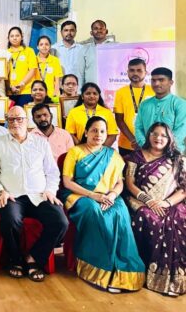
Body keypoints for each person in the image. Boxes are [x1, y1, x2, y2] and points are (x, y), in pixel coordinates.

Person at [60, 116, 145, 293]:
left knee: (120, 213)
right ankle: (99, 269)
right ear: (86, 132)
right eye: (94, 130)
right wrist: (93, 195)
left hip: (108, 195)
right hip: (80, 195)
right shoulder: (75, 152)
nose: (98, 134)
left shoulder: (113, 155)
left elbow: (120, 182)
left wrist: (112, 196)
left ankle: (124, 272)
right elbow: (67, 182)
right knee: (94, 212)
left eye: (102, 131)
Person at [0, 106, 68, 282]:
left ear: (27, 121)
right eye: (11, 119)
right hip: (12, 196)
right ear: (7, 121)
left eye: (19, 119)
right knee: (10, 220)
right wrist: (0, 191)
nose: (15, 122)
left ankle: (33, 258)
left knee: (60, 221)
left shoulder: (41, 143)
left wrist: (50, 190)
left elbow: (52, 172)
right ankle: (15, 260)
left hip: (39, 196)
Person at [124, 123, 186, 297]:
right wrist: (149, 201)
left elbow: (183, 188)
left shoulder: (177, 158)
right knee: (150, 218)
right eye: (155, 134)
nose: (159, 138)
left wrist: (166, 203)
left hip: (169, 202)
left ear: (169, 138)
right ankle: (150, 274)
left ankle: (176, 279)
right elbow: (130, 183)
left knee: (179, 218)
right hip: (141, 201)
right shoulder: (136, 156)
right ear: (149, 135)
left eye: (163, 135)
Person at [135, 67, 186, 152]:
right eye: (153, 80)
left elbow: (181, 131)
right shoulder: (144, 104)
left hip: (172, 153)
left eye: (161, 80)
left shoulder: (180, 104)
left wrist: (162, 149)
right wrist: (145, 145)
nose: (156, 83)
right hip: (147, 152)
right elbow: (138, 127)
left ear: (171, 82)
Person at [113, 58, 154, 156]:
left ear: (146, 72)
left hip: (150, 143)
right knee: (127, 166)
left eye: (139, 70)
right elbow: (119, 120)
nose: (135, 73)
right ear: (127, 72)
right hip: (126, 144)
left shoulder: (153, 91)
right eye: (132, 70)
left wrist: (145, 140)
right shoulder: (120, 92)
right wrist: (133, 140)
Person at [6, 27, 37, 106]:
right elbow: (4, 73)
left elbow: (32, 70)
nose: (14, 38)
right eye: (12, 36)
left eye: (17, 35)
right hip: (10, 91)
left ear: (22, 37)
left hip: (26, 90)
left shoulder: (29, 51)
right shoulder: (5, 53)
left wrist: (22, 83)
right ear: (8, 38)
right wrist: (10, 87)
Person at [51, 20, 86, 86]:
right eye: (66, 30)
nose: (69, 33)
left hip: (77, 86)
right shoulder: (54, 49)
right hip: (60, 86)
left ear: (75, 32)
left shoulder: (82, 49)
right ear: (61, 32)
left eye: (72, 30)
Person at [83, 20, 113, 84]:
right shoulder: (85, 49)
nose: (99, 31)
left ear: (106, 31)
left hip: (111, 86)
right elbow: (80, 72)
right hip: (91, 87)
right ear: (91, 33)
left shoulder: (115, 47)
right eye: (96, 29)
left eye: (101, 28)